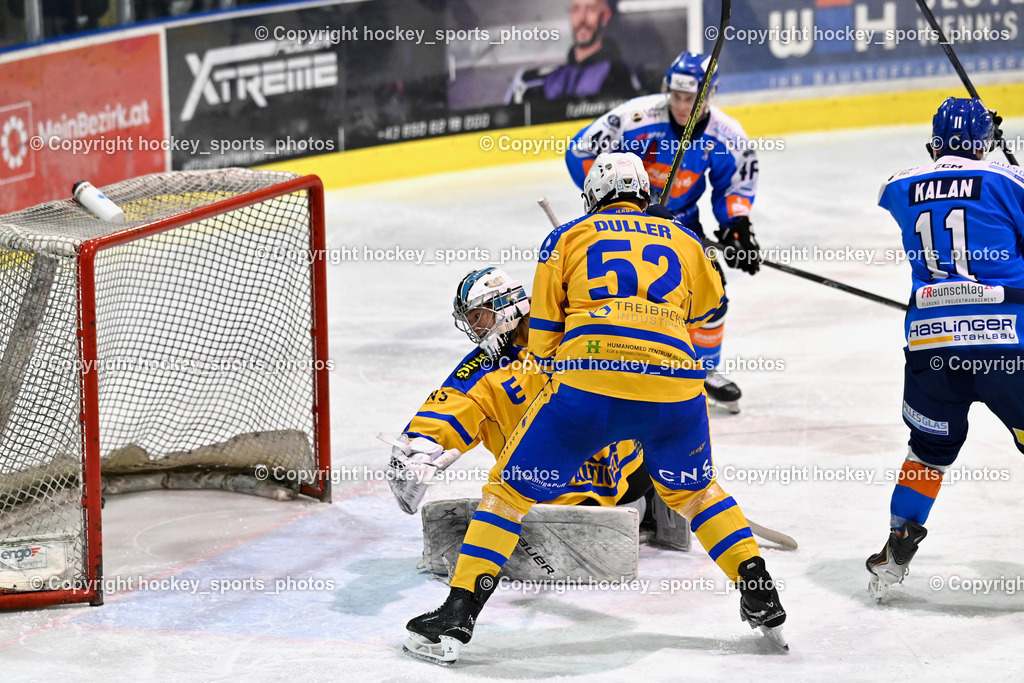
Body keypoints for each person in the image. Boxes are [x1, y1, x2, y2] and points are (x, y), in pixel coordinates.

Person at [402, 153, 787, 666]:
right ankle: (759, 590)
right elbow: (709, 309)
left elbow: (542, 339)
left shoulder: (565, 238)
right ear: (643, 194)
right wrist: (695, 253)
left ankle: (457, 615)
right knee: (698, 493)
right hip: (677, 387)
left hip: (590, 384)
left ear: (592, 198)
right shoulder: (685, 238)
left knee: (508, 493)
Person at [387, 267, 690, 550]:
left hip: (626, 475)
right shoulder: (485, 368)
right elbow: (453, 402)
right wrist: (419, 448)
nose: (476, 329)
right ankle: (642, 509)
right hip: (558, 493)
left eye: (479, 316)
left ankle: (655, 504)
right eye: (470, 320)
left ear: (505, 306)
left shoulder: (577, 329)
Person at [866, 97, 1024, 599]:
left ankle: (897, 547)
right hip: (1006, 345)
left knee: (928, 451)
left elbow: (940, 191)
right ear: (985, 142)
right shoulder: (1009, 181)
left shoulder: (900, 185)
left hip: (932, 346)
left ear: (933, 142)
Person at [566, 51, 762, 412]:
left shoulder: (727, 135)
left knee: (711, 291)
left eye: (691, 99)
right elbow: (581, 152)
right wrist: (619, 200)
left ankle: (701, 371)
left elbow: (735, 182)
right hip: (621, 219)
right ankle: (617, 367)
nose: (683, 106)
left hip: (681, 222)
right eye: (677, 96)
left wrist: (736, 225)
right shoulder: (636, 118)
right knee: (621, 292)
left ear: (709, 96)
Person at [506, 0, 639, 105]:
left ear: (605, 16)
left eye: (591, 9)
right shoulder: (533, 80)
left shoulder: (621, 75)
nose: (582, 19)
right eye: (576, 9)